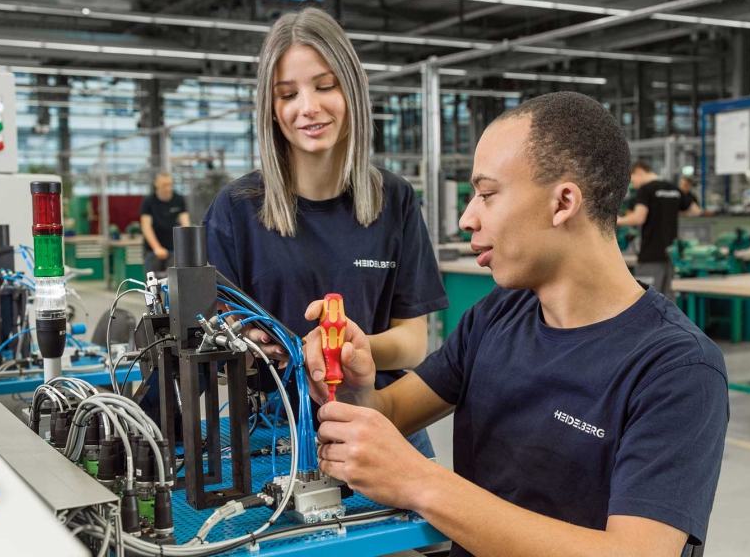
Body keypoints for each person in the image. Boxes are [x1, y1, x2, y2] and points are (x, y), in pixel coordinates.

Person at [304, 92, 728, 557]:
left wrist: (421, 482)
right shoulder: (499, 313)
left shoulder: (677, 368)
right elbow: (390, 413)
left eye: (486, 194)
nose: (468, 217)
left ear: (562, 202)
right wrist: (355, 384)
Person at [201, 7, 447, 458]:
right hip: (273, 430)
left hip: (378, 418)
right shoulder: (235, 210)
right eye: (287, 94)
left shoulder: (394, 199)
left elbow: (413, 344)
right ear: (272, 110)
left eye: (325, 86)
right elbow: (215, 344)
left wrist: (339, 352)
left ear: (353, 89)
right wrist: (266, 348)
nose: (308, 107)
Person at [617, 161, 701, 299]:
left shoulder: (646, 190)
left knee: (644, 301)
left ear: (639, 172)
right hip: (671, 256)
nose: (633, 184)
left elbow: (639, 218)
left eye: (632, 179)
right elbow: (695, 211)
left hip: (651, 255)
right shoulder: (672, 188)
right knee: (667, 302)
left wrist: (617, 220)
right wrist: (670, 210)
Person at [140, 172, 189, 276]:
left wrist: (186, 245)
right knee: (153, 283)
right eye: (164, 185)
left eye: (169, 185)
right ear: (156, 184)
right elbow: (146, 226)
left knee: (173, 282)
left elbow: (185, 224)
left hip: (173, 249)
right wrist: (157, 248)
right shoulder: (149, 201)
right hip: (152, 250)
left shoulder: (179, 200)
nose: (167, 188)